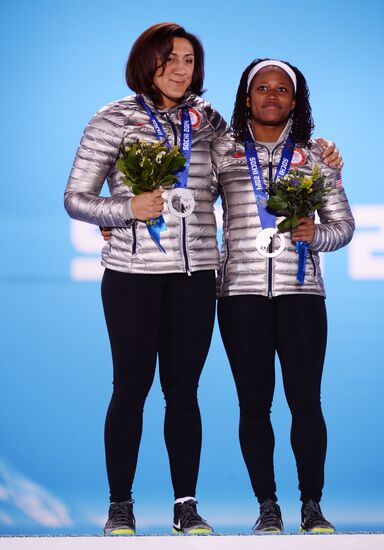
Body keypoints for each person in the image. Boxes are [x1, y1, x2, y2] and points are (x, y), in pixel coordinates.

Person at [64, 22, 230, 536]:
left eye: (188, 60)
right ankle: (120, 506)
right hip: (133, 274)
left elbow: (245, 179)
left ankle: (186, 506)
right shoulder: (111, 119)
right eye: (170, 59)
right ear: (147, 62)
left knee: (184, 391)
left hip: (196, 273)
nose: (181, 69)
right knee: (130, 387)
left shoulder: (209, 121)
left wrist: (319, 156)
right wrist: (125, 209)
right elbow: (75, 199)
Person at [213, 59, 354, 534]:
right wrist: (117, 216)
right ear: (247, 97)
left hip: (301, 293)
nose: (271, 96)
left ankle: (311, 506)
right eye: (261, 88)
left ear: (295, 101)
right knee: (253, 404)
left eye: (281, 90)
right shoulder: (221, 150)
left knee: (306, 402)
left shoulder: (316, 155)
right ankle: (267, 507)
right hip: (239, 294)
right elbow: (183, 199)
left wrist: (315, 234)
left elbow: (344, 228)